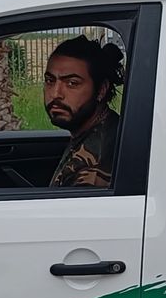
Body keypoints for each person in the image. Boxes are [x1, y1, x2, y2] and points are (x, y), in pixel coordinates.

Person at [45, 35, 123, 188]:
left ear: (101, 90)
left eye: (72, 83)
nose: (55, 94)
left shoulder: (92, 171)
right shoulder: (101, 127)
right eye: (50, 80)